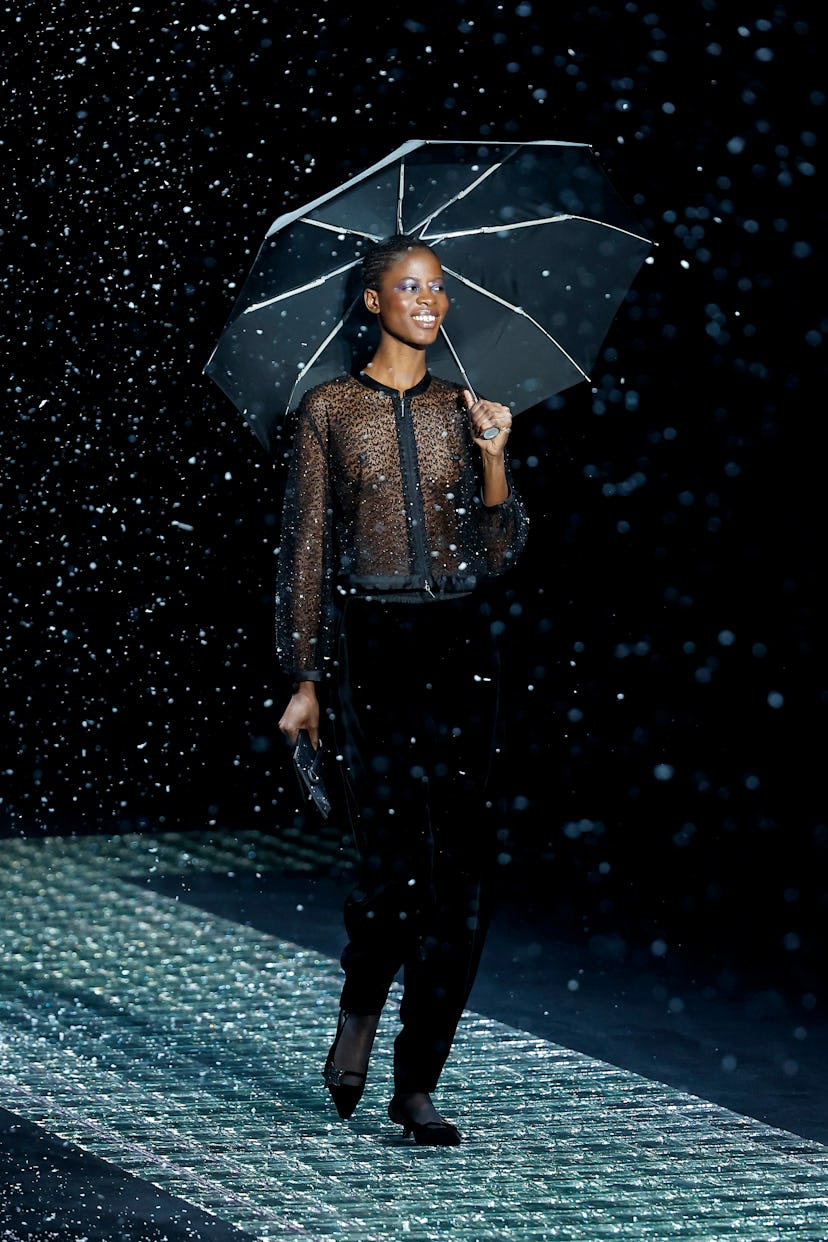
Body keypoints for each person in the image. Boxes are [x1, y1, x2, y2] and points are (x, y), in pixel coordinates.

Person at [276, 233, 528, 1145]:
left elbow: (500, 553)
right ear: (374, 302)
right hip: (370, 651)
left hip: (462, 647)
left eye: (438, 288)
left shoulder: (467, 408)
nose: (429, 300)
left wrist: (494, 455)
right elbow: (305, 550)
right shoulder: (329, 411)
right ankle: (359, 1004)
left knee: (464, 876)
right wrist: (303, 679)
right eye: (409, 287)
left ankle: (417, 1082)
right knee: (392, 865)